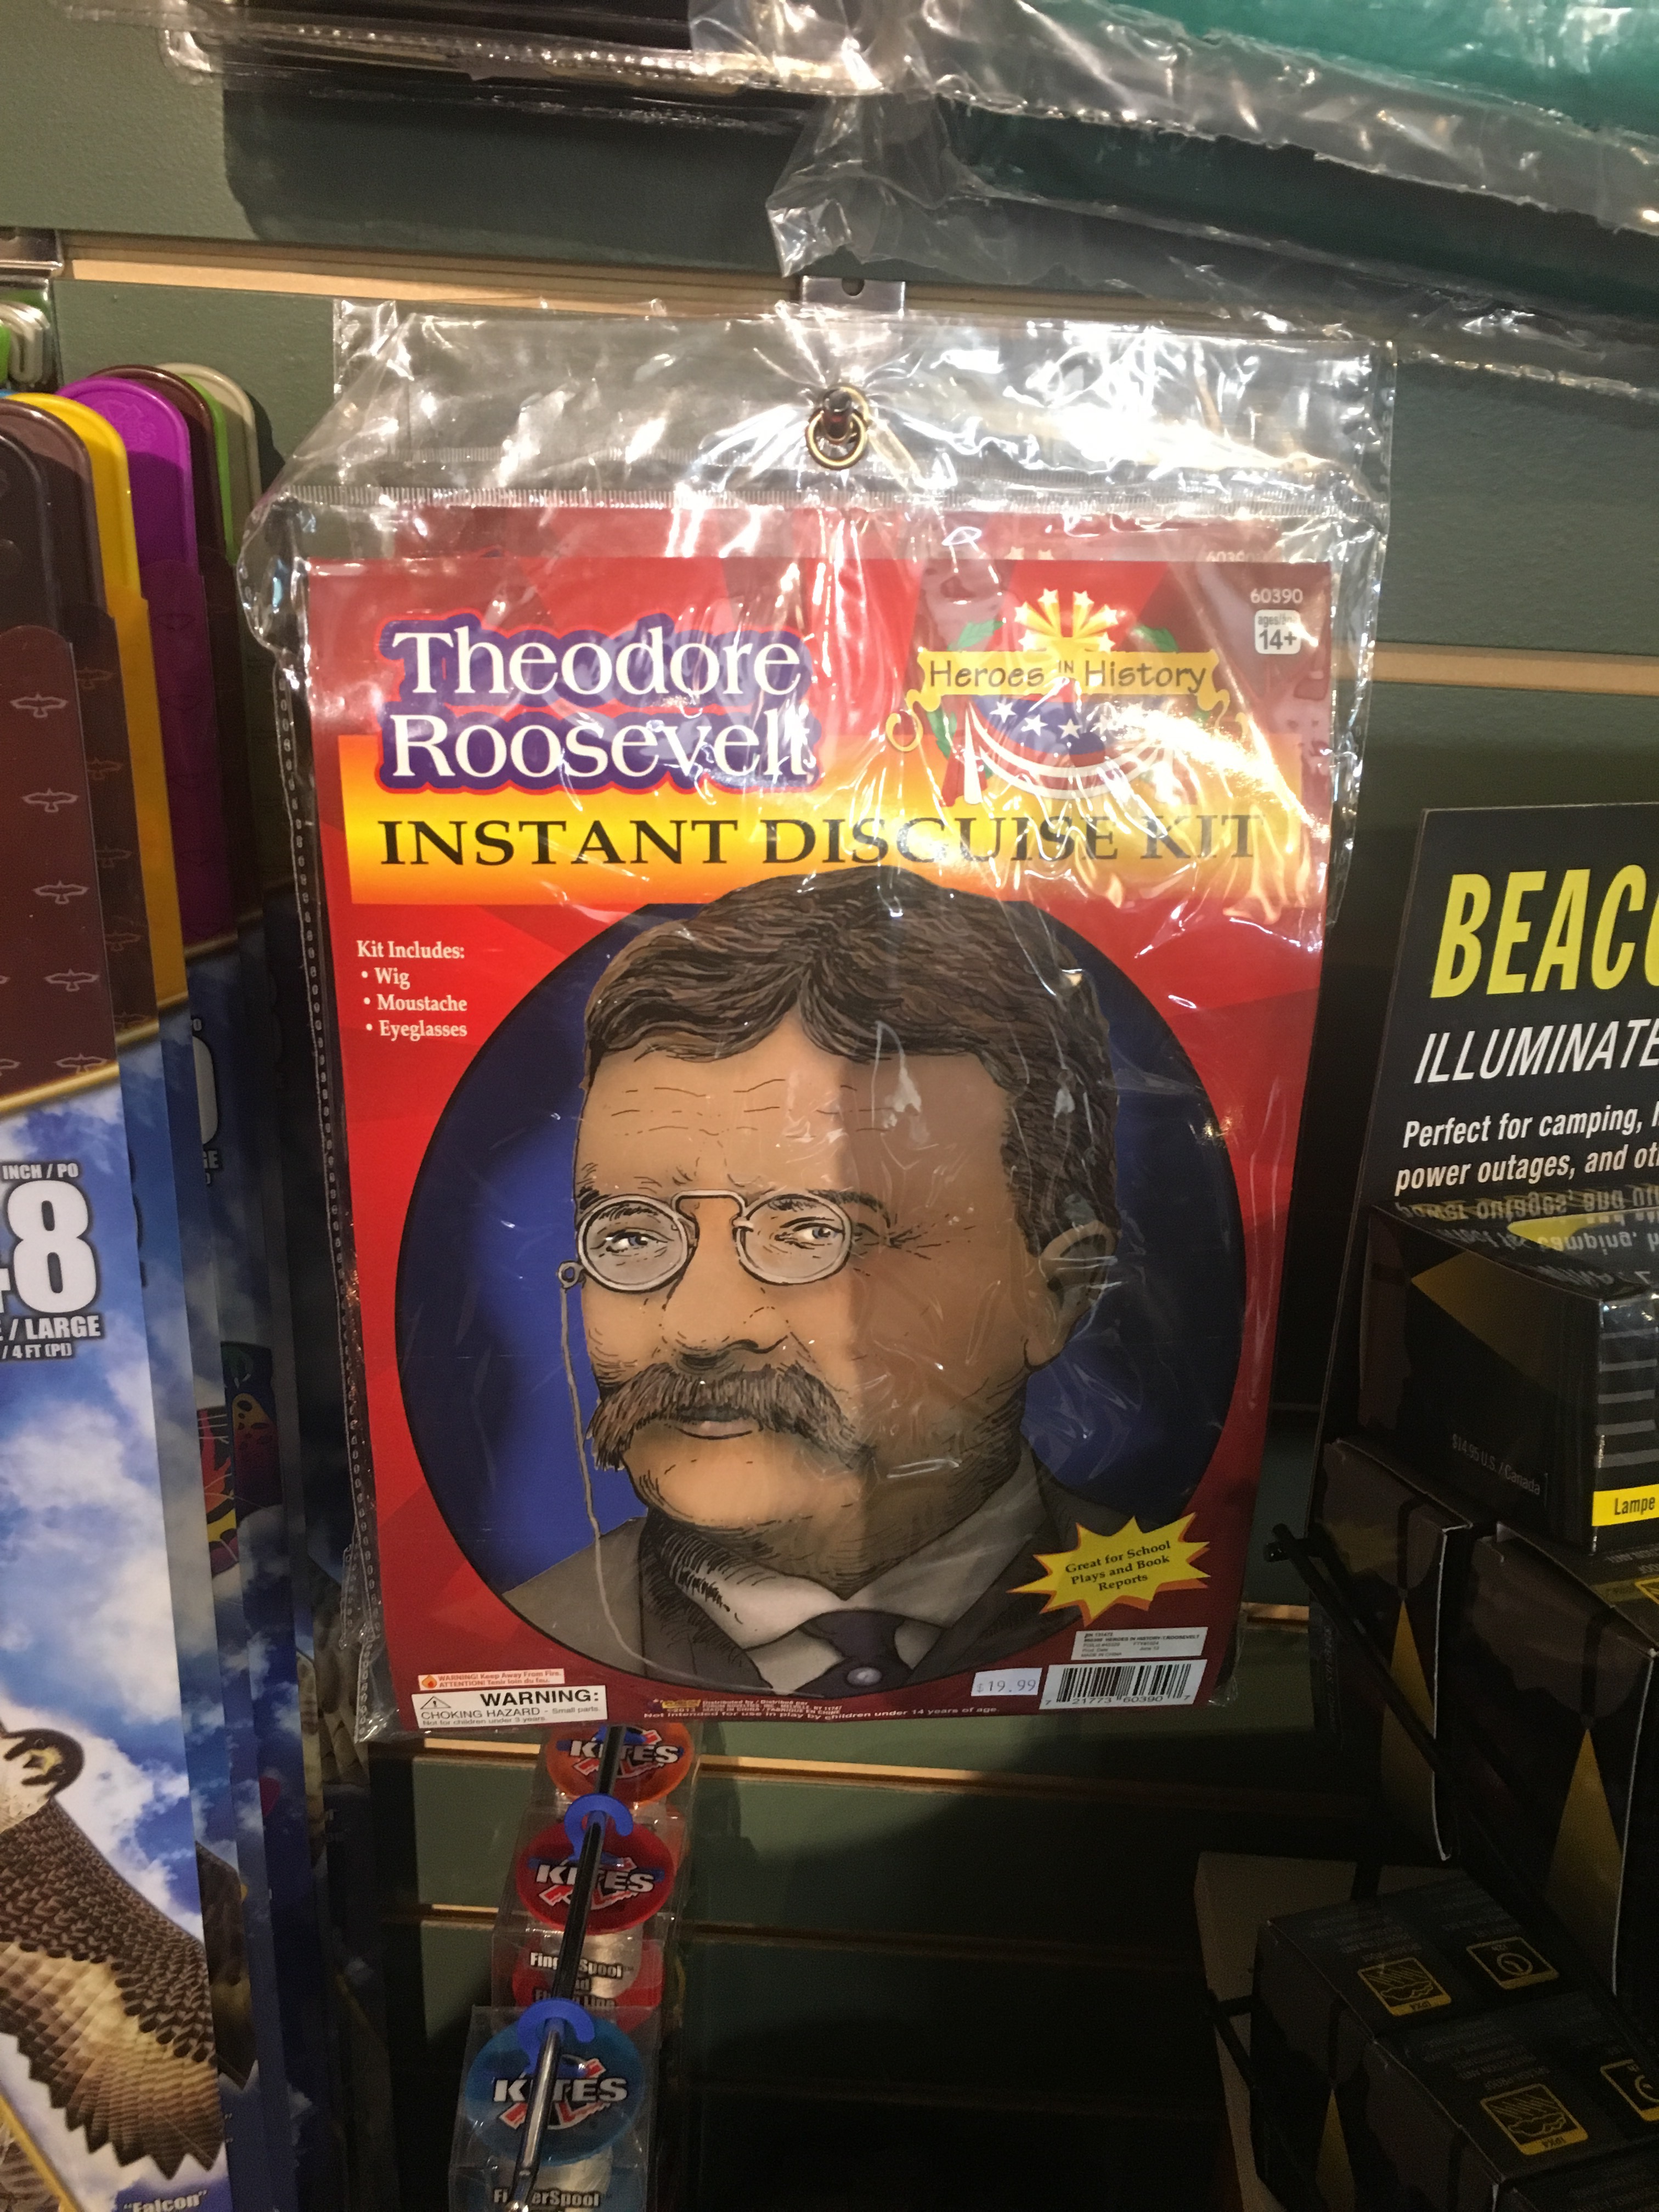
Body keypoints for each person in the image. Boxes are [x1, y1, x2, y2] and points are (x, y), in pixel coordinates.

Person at [505, 867, 1124, 1696]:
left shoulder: (1152, 1600)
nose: (700, 1329)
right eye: (632, 1235)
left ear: (1056, 1293)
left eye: (813, 1234)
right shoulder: (520, 1640)